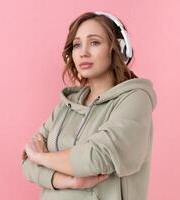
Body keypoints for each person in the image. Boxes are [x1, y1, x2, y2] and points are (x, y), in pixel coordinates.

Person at [21, 11, 157, 200]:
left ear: (118, 48)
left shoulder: (134, 99)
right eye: (77, 45)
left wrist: (42, 158)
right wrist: (67, 181)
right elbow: (27, 161)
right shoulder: (66, 105)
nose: (83, 52)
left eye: (94, 42)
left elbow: (97, 157)